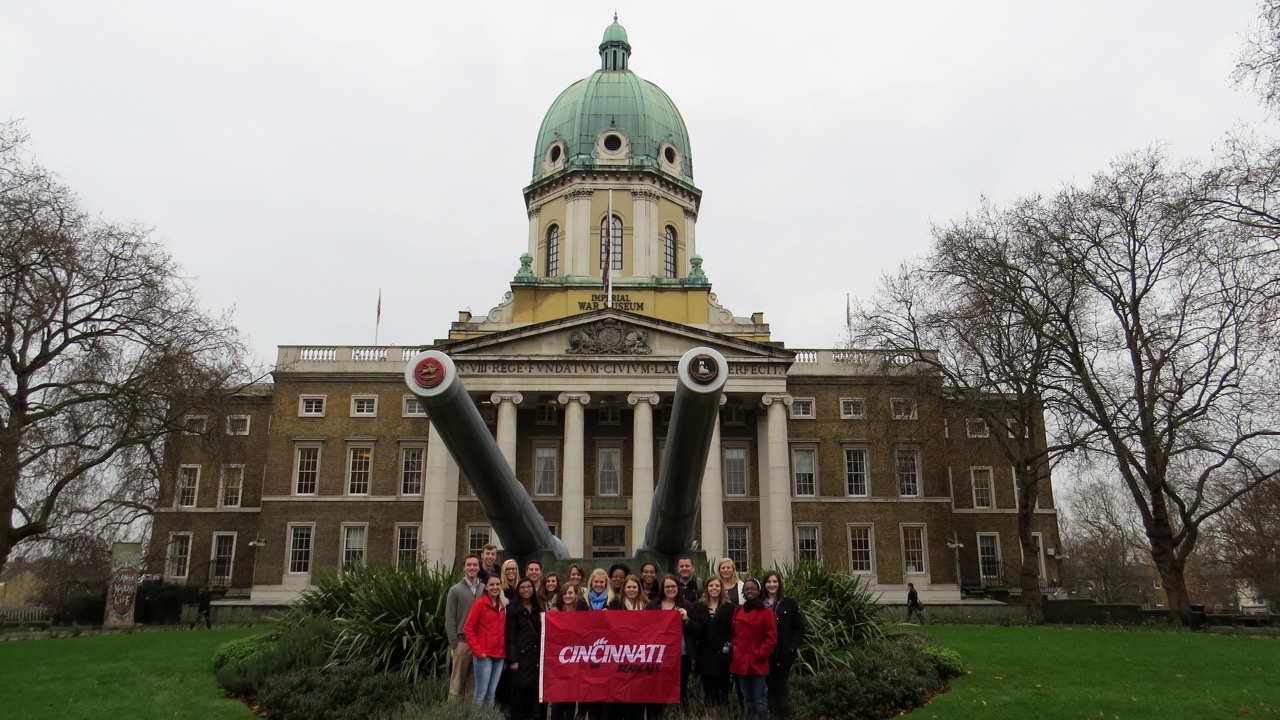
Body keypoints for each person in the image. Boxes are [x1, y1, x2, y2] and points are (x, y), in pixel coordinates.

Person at [647, 573, 702, 714]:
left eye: (673, 586)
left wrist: (687, 620)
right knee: (657, 689)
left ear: (678, 587)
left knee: (679, 690)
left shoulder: (687, 606)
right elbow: (644, 629)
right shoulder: (653, 606)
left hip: (681, 656)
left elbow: (698, 631)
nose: (670, 589)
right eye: (667, 586)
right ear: (662, 588)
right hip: (658, 657)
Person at [730, 579, 777, 720]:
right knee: (747, 700)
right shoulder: (738, 610)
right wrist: (735, 649)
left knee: (759, 700)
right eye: (747, 589)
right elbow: (734, 634)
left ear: (759, 591)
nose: (749, 591)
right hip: (741, 662)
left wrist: (758, 654)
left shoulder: (766, 612)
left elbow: (771, 639)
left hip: (758, 662)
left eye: (753, 589)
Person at [762, 570, 806, 720]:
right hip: (765, 654)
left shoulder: (789, 603)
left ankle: (785, 716)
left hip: (783, 654)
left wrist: (792, 646)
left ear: (779, 584)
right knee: (770, 687)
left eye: (775, 582)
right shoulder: (760, 604)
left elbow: (799, 627)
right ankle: (773, 715)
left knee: (781, 686)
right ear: (764, 584)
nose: (772, 585)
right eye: (769, 582)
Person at [446, 554, 483, 700]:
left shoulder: (484, 589)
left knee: (473, 688)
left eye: (475, 565)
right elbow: (449, 618)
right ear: (464, 567)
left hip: (479, 644)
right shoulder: (455, 590)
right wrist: (454, 644)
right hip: (461, 643)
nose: (472, 568)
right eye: (469, 565)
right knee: (456, 686)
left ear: (479, 567)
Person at [466, 576, 507, 706]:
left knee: (492, 692)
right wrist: (477, 651)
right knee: (481, 693)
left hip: (499, 655)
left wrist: (504, 655)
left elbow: (503, 631)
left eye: (497, 584)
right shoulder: (480, 604)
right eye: (492, 585)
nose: (495, 587)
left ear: (501, 586)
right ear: (486, 587)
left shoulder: (502, 605)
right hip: (484, 655)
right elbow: (468, 628)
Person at [693, 577, 733, 706]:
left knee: (723, 694)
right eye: (711, 586)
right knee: (708, 694)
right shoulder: (697, 606)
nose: (714, 588)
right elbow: (696, 630)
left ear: (721, 589)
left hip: (723, 656)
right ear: (706, 588)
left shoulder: (730, 607)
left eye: (717, 586)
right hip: (705, 656)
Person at [506, 578, 543, 720]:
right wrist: (513, 659)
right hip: (520, 658)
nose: (526, 589)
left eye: (529, 587)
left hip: (534, 657)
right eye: (522, 587)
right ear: (518, 590)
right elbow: (510, 635)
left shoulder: (537, 607)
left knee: (530, 692)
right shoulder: (514, 608)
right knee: (518, 692)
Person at [548, 584, 583, 720]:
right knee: (558, 698)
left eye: (570, 593)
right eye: (565, 594)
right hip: (558, 662)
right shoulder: (554, 612)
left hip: (575, 661)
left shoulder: (581, 613)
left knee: (571, 699)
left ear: (576, 595)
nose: (567, 596)